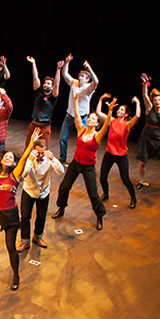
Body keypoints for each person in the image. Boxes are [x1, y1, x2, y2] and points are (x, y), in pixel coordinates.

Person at [0, 120, 41, 290]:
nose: (9, 157)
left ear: (13, 163)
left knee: (10, 248)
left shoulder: (16, 175)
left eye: (11, 157)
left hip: (10, 216)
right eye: (6, 156)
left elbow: (25, 156)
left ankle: (16, 276)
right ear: (2, 160)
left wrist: (32, 142)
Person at [52, 92, 116, 230]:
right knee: (64, 187)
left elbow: (106, 127)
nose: (90, 119)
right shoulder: (82, 129)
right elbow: (76, 115)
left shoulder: (97, 136)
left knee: (93, 194)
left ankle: (99, 215)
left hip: (88, 167)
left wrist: (110, 111)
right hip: (76, 163)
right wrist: (75, 100)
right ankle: (61, 208)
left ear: (97, 123)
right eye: (90, 118)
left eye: (93, 118)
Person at [94, 93, 140, 208]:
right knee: (103, 177)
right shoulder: (112, 121)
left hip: (121, 156)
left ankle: (133, 198)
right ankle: (105, 194)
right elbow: (99, 113)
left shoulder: (127, 125)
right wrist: (100, 98)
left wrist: (138, 102)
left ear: (126, 114)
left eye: (121, 110)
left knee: (125, 179)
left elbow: (138, 116)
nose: (119, 111)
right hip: (109, 153)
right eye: (118, 109)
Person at [18, 139, 64, 251]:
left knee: (41, 216)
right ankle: (25, 241)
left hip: (44, 192)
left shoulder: (48, 159)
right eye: (38, 152)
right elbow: (24, 174)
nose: (41, 155)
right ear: (34, 150)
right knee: (25, 217)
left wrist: (53, 159)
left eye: (43, 152)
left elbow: (61, 171)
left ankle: (38, 237)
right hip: (29, 191)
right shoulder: (28, 159)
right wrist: (29, 160)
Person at [58, 54, 99, 164]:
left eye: (82, 76)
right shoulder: (74, 83)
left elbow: (96, 82)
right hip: (70, 116)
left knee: (84, 141)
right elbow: (65, 74)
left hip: (82, 118)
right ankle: (62, 159)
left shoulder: (89, 88)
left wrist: (89, 68)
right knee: (62, 138)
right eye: (79, 75)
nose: (80, 77)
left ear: (87, 79)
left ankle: (81, 160)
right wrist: (67, 62)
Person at [26, 56, 62, 147]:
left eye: (48, 83)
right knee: (28, 147)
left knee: (43, 149)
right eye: (45, 83)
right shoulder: (39, 92)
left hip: (45, 126)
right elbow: (35, 78)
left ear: (52, 86)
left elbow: (57, 83)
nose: (46, 84)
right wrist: (33, 64)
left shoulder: (53, 97)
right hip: (34, 124)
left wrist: (58, 70)